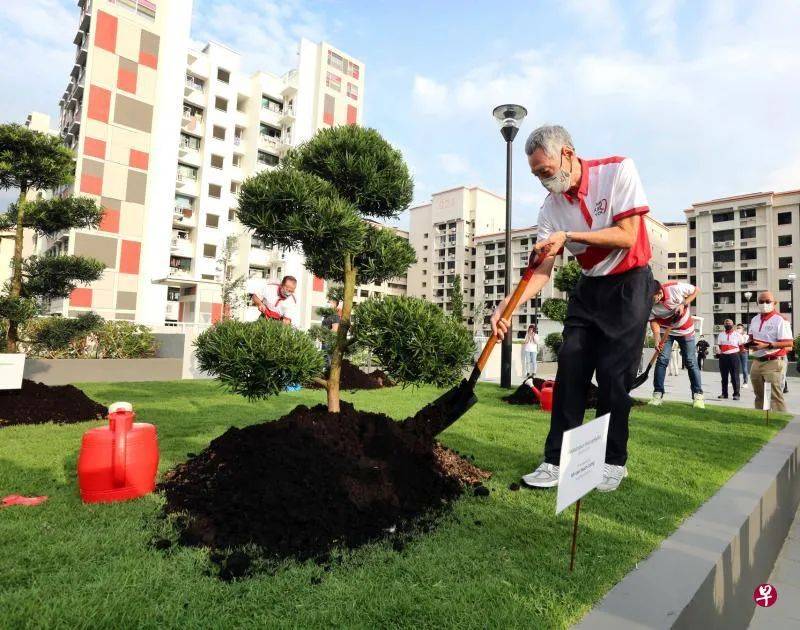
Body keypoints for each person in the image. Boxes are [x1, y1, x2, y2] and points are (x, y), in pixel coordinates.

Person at [491, 125, 655, 493]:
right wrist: (507, 305)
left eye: (545, 172)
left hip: (630, 283)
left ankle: (612, 462)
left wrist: (570, 236)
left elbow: (628, 234)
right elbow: (541, 271)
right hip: (588, 288)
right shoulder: (550, 208)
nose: (542, 182)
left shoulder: (616, 171)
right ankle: (554, 461)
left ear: (567, 153)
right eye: (535, 175)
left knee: (615, 378)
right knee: (570, 365)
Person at [648, 281, 704, 408]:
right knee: (662, 360)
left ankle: (698, 396)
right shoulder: (647, 303)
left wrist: (683, 303)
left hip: (685, 330)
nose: (650, 301)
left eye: (652, 298)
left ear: (659, 292)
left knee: (690, 361)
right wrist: (657, 339)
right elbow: (653, 320)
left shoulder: (675, 288)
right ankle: (657, 394)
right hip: (665, 331)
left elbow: (696, 290)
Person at [746, 292, 792, 412]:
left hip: (773, 360)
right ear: (757, 303)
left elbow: (789, 343)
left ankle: (779, 423)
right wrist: (747, 344)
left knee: (775, 397)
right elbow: (751, 337)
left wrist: (766, 345)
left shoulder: (780, 320)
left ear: (774, 303)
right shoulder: (755, 319)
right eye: (761, 302)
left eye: (767, 301)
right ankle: (760, 419)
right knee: (759, 395)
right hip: (757, 361)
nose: (764, 304)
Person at [714, 318, 742, 400]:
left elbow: (741, 347)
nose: (727, 324)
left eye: (729, 323)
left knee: (735, 376)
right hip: (723, 357)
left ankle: (736, 394)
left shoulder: (737, 335)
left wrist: (735, 353)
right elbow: (720, 345)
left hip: (734, 356)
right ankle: (724, 393)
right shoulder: (721, 334)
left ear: (733, 325)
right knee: (724, 376)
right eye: (726, 323)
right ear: (724, 325)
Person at [736, 323, 750, 389]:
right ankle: (734, 381)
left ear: (743, 329)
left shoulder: (746, 336)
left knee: (744, 368)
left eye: (740, 328)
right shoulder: (735, 335)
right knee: (735, 368)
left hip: (744, 353)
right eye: (737, 328)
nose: (738, 329)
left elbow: (745, 344)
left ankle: (745, 382)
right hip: (737, 352)